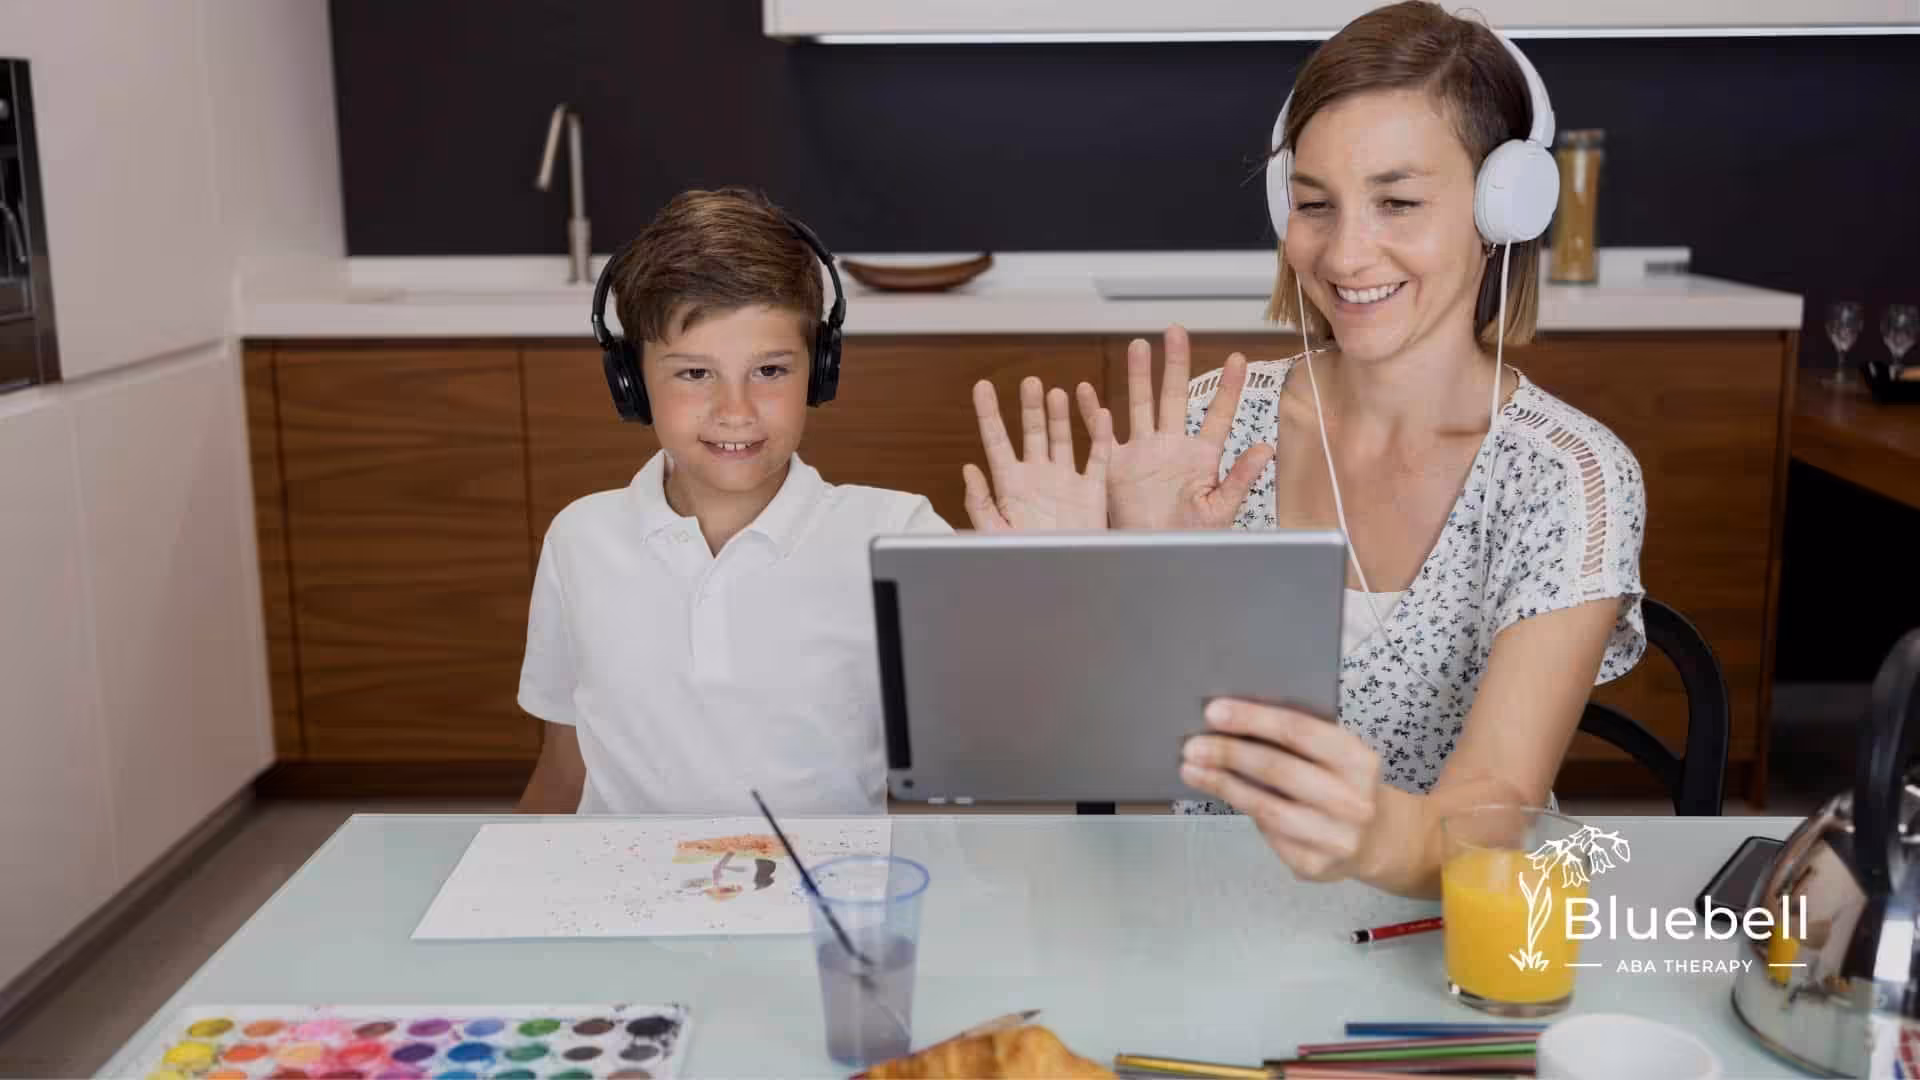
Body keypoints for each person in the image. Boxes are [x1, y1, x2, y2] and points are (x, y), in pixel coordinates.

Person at [960, 2, 1646, 898]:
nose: (1347, 253)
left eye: (1397, 201)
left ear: (1500, 208)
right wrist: (1080, 612)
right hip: (1209, 916)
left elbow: (1497, 807)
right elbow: (1106, 757)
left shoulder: (1572, 478)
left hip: (1445, 934)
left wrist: (1360, 831)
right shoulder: (1204, 433)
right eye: (1315, 204)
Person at [516, 188, 951, 815]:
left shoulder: (896, 536)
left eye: (770, 371)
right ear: (631, 381)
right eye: (694, 373)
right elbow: (563, 768)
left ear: (820, 370)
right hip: (623, 902)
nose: (736, 412)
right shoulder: (580, 538)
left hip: (820, 901)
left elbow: (975, 769)